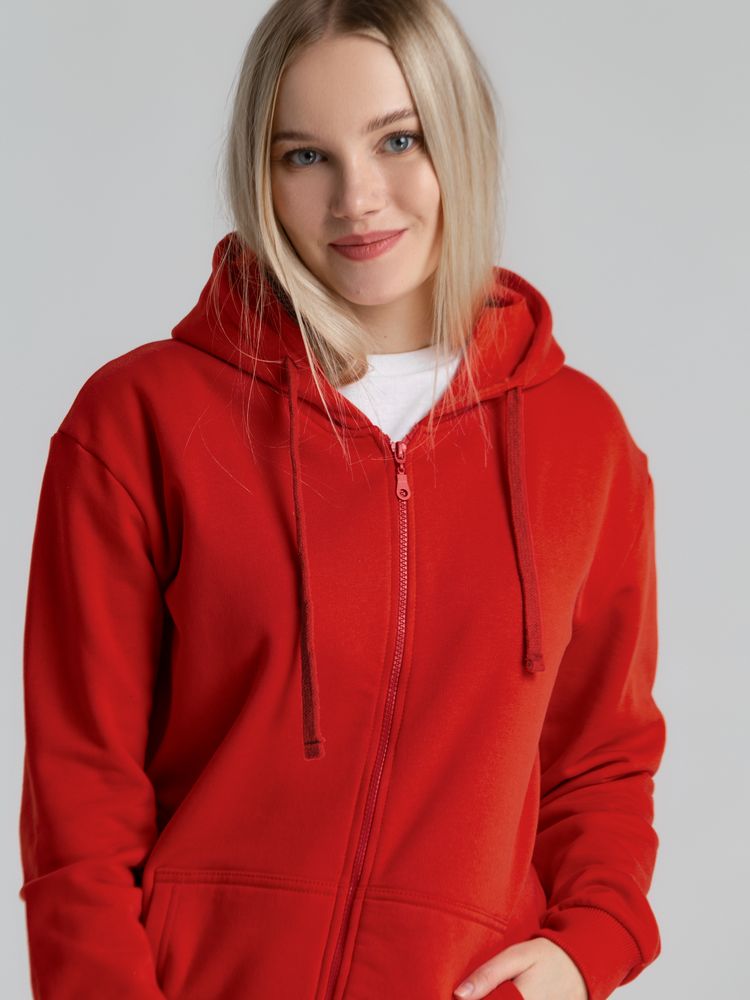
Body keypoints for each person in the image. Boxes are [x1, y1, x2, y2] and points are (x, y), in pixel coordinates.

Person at [18, 1, 667, 998]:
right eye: (305, 156)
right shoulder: (142, 421)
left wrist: (589, 947)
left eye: (399, 140)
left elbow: (601, 760)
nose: (357, 198)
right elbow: (80, 790)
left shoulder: (585, 443)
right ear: (261, 173)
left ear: (460, 138)